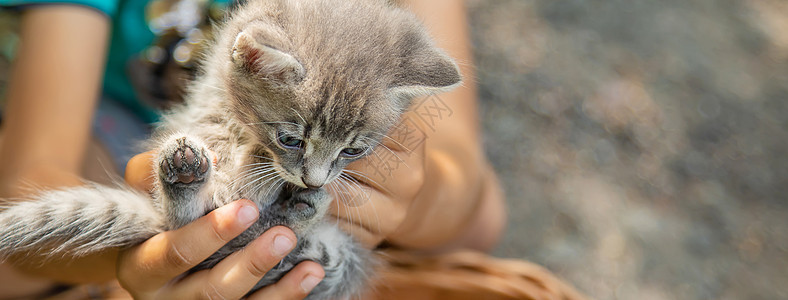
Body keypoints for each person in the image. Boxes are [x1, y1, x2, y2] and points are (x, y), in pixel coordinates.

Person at [0, 0, 505, 298]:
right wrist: (138, 262)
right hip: (120, 131)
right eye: (295, 145)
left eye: (343, 155)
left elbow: (474, 206)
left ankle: (207, 218)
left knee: (368, 251)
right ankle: (193, 217)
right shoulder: (265, 51)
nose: (314, 177)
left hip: (307, 221)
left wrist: (407, 198)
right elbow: (29, 190)